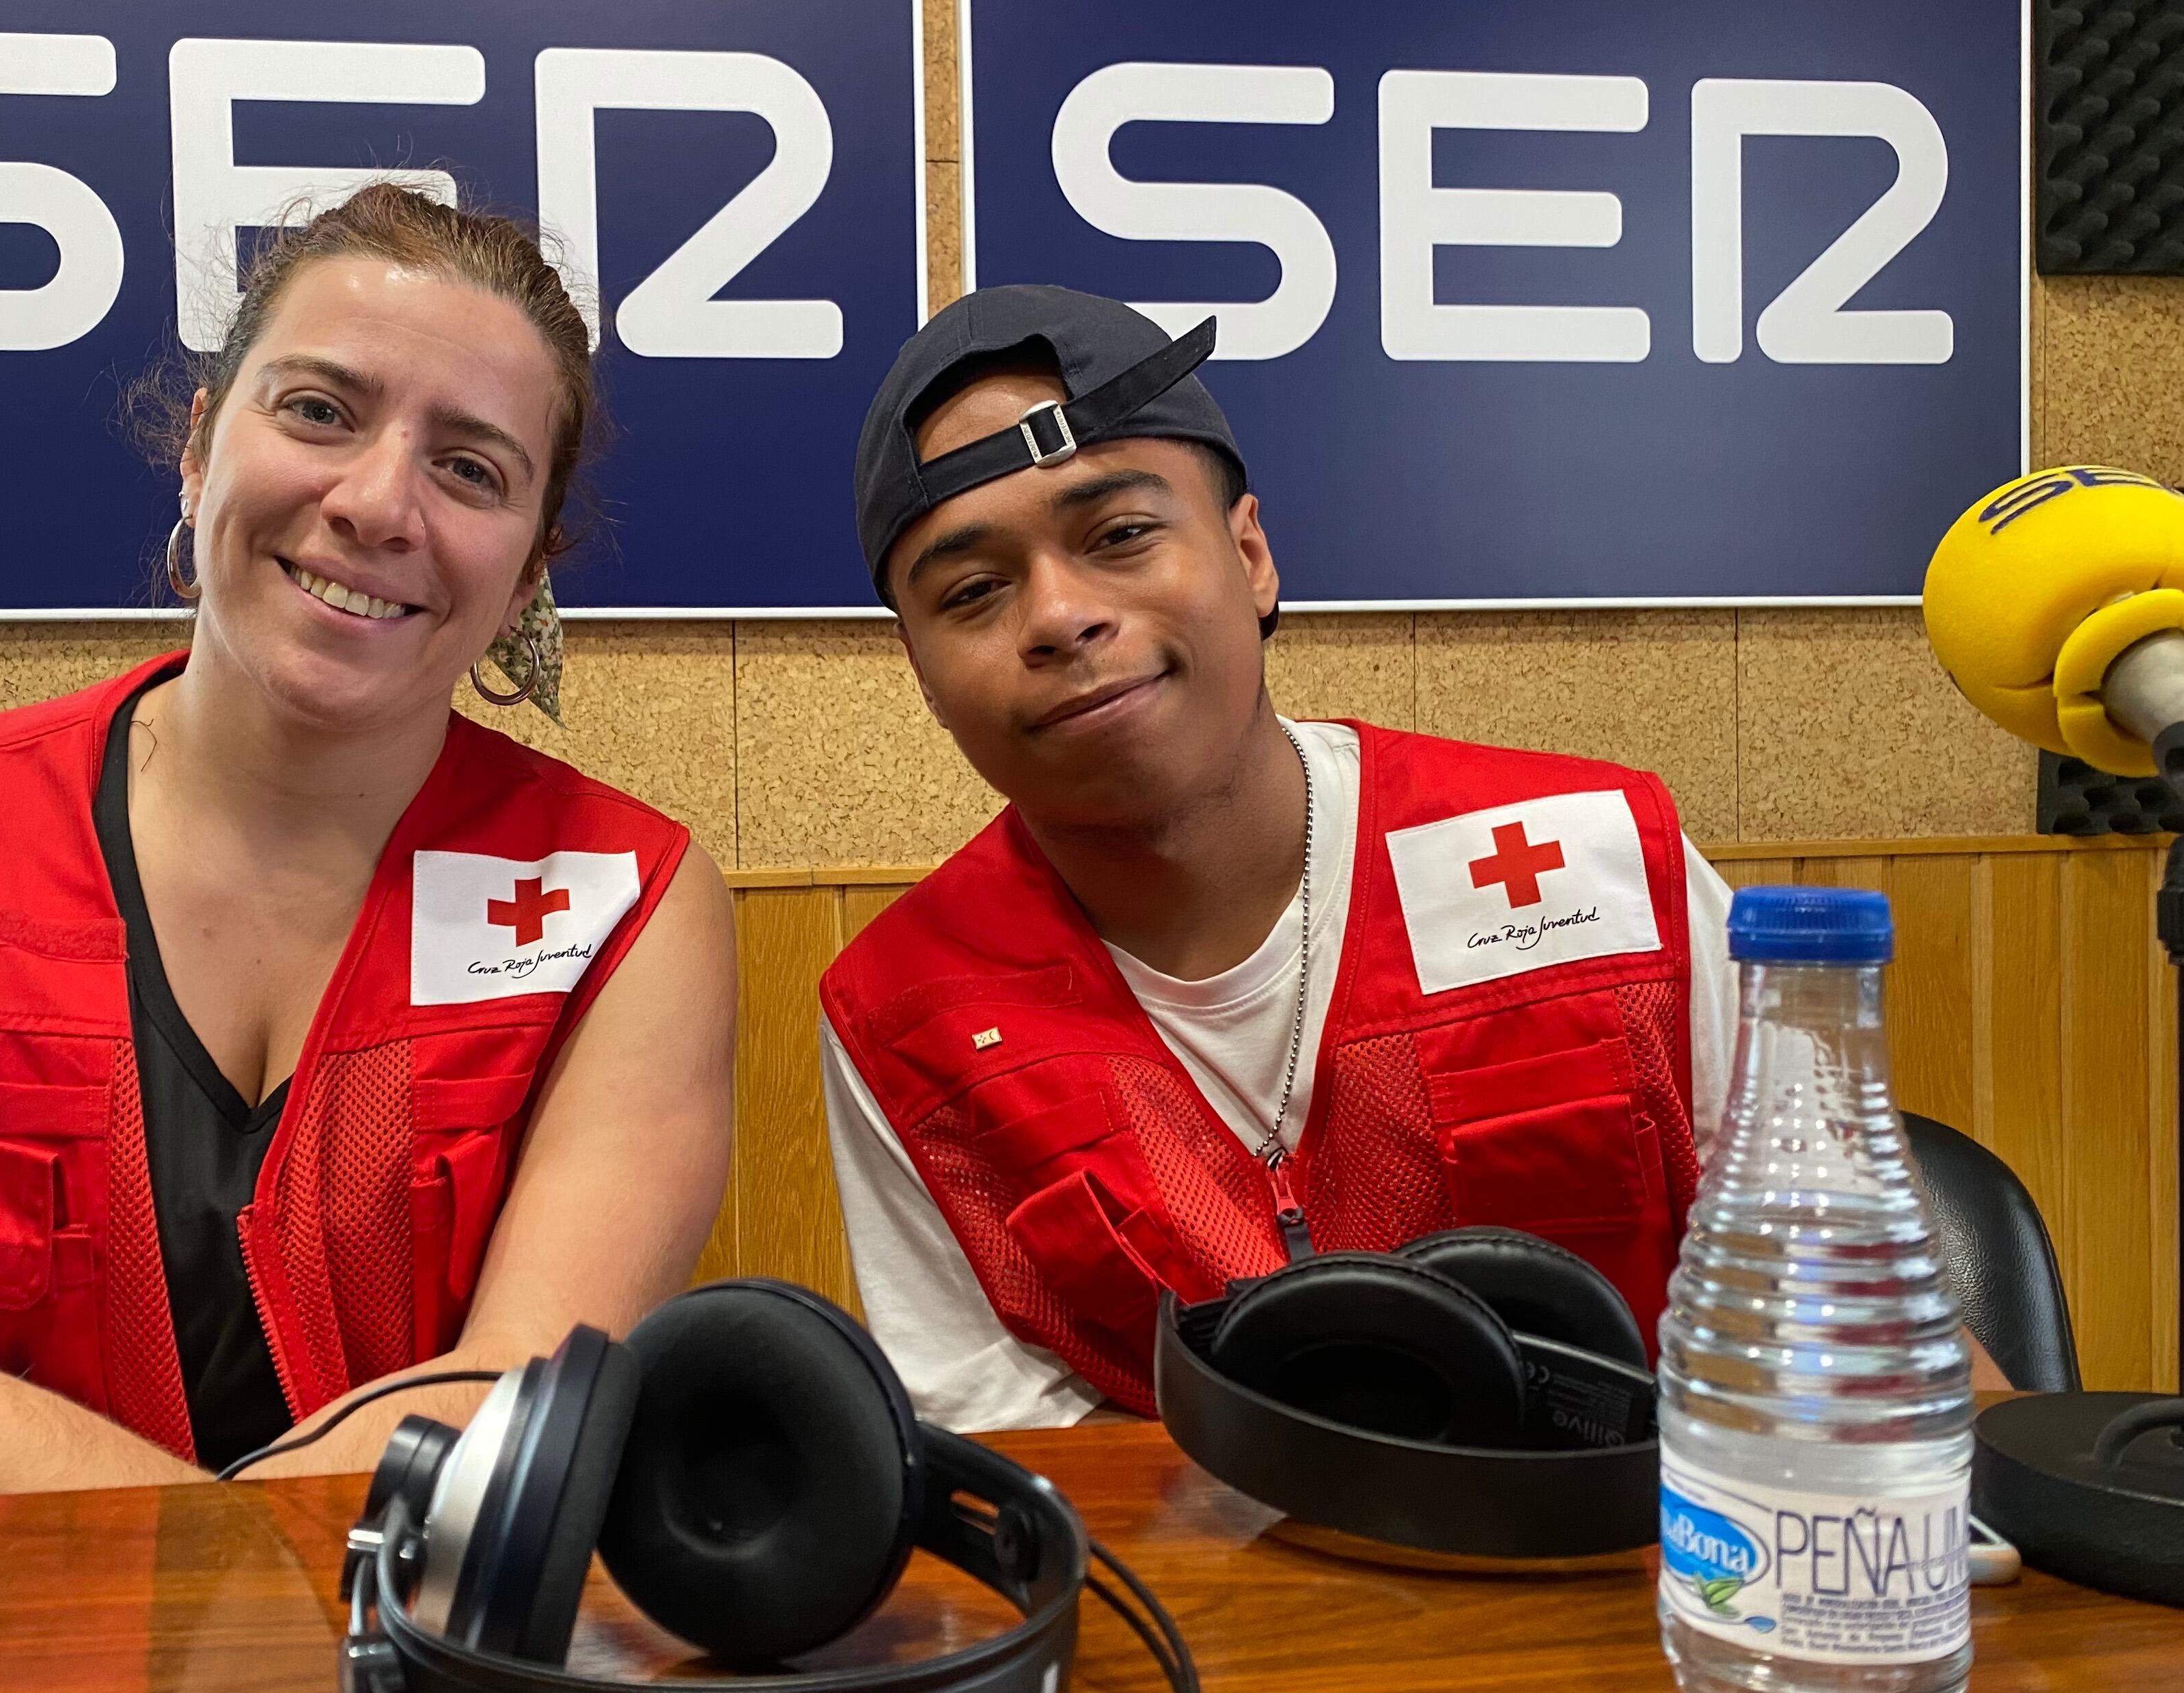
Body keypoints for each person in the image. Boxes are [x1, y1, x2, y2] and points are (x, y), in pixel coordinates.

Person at [0, 184, 736, 1501]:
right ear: (198, 450)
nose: (376, 502)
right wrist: (233, 1605)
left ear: (528, 569)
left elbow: (520, 1389)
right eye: (319, 411)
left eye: (471, 468)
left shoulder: (622, 903)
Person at [817, 284, 1997, 1432]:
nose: (1060, 615)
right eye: (974, 591)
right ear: (920, 672)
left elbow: (1875, 1330)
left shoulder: (1596, 862)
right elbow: (1033, 1472)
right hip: (1231, 1623)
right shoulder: (904, 1016)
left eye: (1121, 534)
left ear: (1251, 555)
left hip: (1669, 1584)